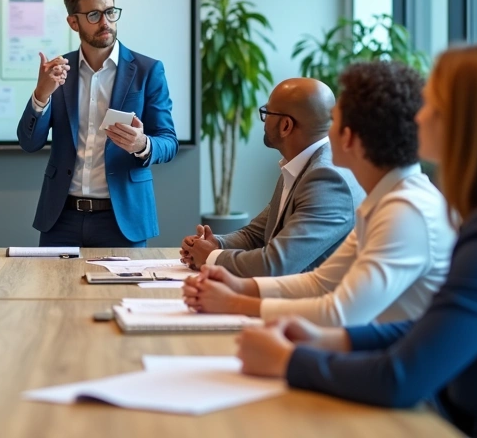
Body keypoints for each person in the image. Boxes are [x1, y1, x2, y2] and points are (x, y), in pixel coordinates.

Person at [236, 45, 477, 438]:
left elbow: (400, 379)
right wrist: (332, 339)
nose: (418, 116)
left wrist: (289, 362)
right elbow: (432, 328)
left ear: (463, 125)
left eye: (431, 105)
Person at [183, 62, 454, 326]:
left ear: (349, 137)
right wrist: (238, 286)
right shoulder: (386, 200)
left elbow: (339, 312)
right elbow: (321, 282)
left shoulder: (405, 212)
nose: (325, 129)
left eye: (334, 120)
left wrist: (234, 302)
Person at [17, 0, 178, 247]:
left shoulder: (147, 70)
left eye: (110, 12)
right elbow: (29, 142)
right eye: (94, 15)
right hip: (61, 218)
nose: (105, 22)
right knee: (51, 278)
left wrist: (142, 144)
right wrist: (41, 95)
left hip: (122, 219)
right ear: (73, 22)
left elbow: (168, 141)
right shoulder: (58, 72)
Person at [181, 78, 363, 277]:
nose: (264, 120)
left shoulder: (326, 179)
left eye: (267, 113)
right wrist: (215, 243)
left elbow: (275, 265)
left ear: (286, 125)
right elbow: (257, 234)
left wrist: (211, 257)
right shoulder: (299, 164)